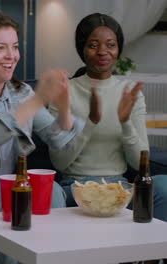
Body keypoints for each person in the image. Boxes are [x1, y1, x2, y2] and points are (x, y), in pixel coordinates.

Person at [0, 10, 84, 264]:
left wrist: (63, 105)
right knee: (7, 193)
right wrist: (38, 99)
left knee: (50, 189)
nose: (12, 56)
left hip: (11, 188)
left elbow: (57, 138)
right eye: (1, 48)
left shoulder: (21, 92)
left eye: (15, 47)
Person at [49, 13, 167, 222]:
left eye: (110, 45)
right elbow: (59, 161)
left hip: (119, 189)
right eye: (93, 45)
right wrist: (90, 122)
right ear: (82, 49)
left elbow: (142, 164)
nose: (103, 51)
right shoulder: (64, 92)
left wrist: (125, 123)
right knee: (52, 194)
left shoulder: (131, 93)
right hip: (74, 190)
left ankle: (150, 253)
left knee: (163, 185)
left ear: (118, 49)